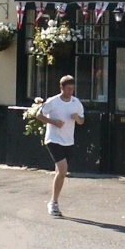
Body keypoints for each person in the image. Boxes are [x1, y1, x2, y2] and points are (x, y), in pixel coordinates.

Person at [36, 75, 85, 217]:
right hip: (53, 139)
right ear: (61, 88)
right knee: (63, 170)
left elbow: (82, 121)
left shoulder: (76, 103)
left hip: (68, 141)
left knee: (60, 172)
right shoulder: (53, 101)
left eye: (72, 89)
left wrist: (78, 118)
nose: (70, 91)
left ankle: (53, 201)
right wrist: (53, 122)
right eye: (68, 89)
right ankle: (53, 202)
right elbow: (39, 115)